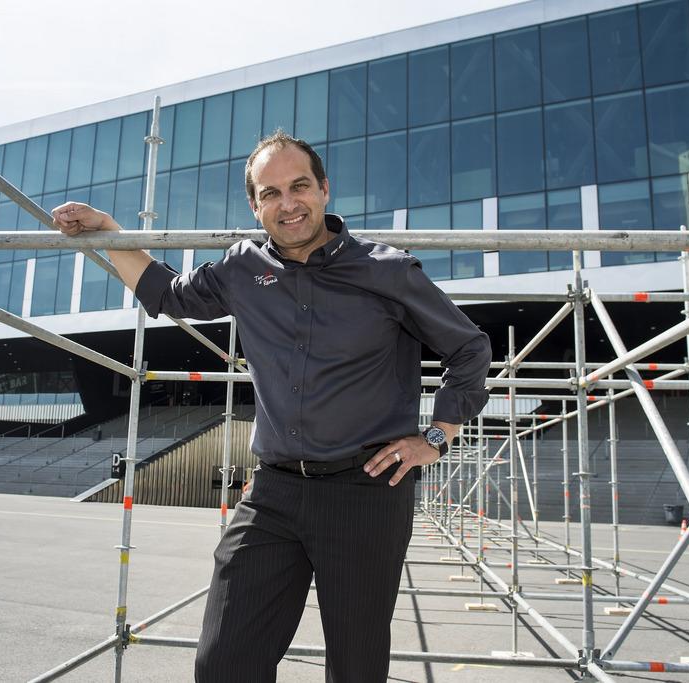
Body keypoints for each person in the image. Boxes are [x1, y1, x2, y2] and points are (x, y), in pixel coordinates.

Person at [51, 131, 492, 683]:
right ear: (255, 206)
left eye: (300, 186)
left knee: (356, 667)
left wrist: (437, 436)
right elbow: (167, 294)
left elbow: (469, 347)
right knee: (225, 663)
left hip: (367, 491)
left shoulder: (388, 270)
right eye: (271, 193)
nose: (288, 204)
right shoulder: (242, 269)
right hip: (275, 492)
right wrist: (110, 233)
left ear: (325, 190)